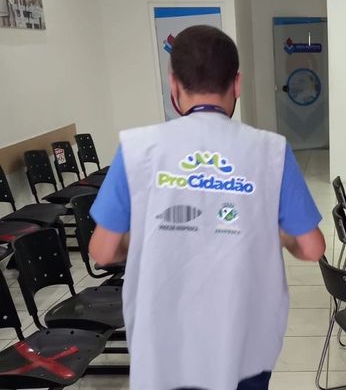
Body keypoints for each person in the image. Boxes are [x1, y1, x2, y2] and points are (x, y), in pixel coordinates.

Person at [88, 25, 326, 390]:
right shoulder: (271, 150)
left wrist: (152, 236)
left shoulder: (137, 149)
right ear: (237, 84)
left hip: (164, 344)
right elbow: (312, 248)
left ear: (174, 84)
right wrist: (272, 234)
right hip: (244, 341)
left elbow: (102, 251)